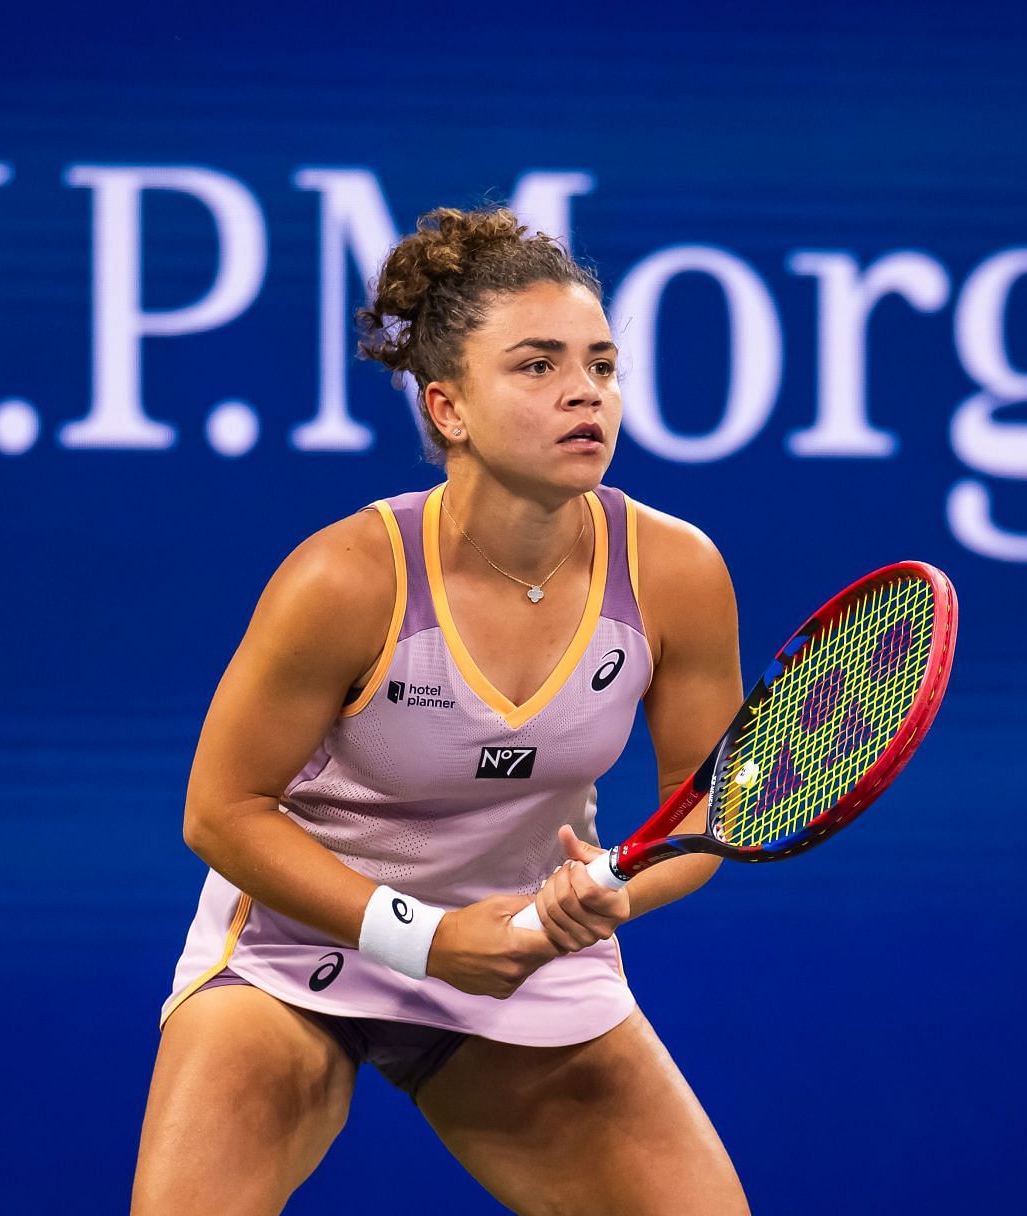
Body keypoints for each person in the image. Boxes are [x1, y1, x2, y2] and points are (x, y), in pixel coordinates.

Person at [129, 206, 752, 1215]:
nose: (583, 391)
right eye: (538, 366)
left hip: (528, 956)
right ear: (448, 408)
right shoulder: (343, 579)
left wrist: (608, 897)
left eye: (600, 363)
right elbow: (220, 811)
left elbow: (701, 808)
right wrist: (423, 936)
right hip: (299, 949)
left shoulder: (676, 574)